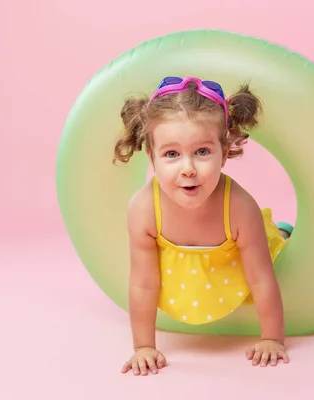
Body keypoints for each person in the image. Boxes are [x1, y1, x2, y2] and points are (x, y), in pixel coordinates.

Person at [113, 77, 293, 376]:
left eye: (202, 152)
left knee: (275, 244)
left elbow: (261, 279)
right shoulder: (144, 209)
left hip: (235, 262)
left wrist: (272, 338)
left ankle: (280, 230)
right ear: (152, 157)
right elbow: (143, 283)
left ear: (224, 152)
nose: (188, 168)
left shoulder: (239, 207)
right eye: (171, 154)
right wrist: (143, 346)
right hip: (188, 273)